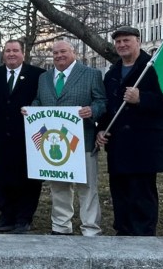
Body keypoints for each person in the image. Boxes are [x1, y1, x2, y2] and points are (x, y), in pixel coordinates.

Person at [96, 26, 163, 236]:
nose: (122, 45)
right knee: (120, 193)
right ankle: (123, 231)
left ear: (138, 41)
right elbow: (107, 106)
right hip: (118, 144)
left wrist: (142, 98)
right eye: (118, 42)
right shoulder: (112, 73)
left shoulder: (154, 69)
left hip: (144, 144)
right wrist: (101, 129)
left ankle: (143, 235)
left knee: (141, 193)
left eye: (126, 40)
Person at [29, 39, 107, 236]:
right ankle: (61, 226)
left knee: (87, 186)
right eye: (55, 53)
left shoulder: (91, 74)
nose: (59, 56)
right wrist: (32, 110)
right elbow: (38, 99)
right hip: (53, 141)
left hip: (82, 140)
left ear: (73, 53)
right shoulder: (44, 78)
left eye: (63, 51)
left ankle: (90, 228)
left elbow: (102, 101)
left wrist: (93, 110)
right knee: (59, 185)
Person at [0, 39, 45, 234]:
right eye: (7, 51)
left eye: (15, 51)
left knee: (28, 179)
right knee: (3, 178)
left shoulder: (38, 75)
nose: (11, 54)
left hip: (30, 138)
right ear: (3, 54)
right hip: (2, 138)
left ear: (23, 54)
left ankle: (24, 219)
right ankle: (6, 216)